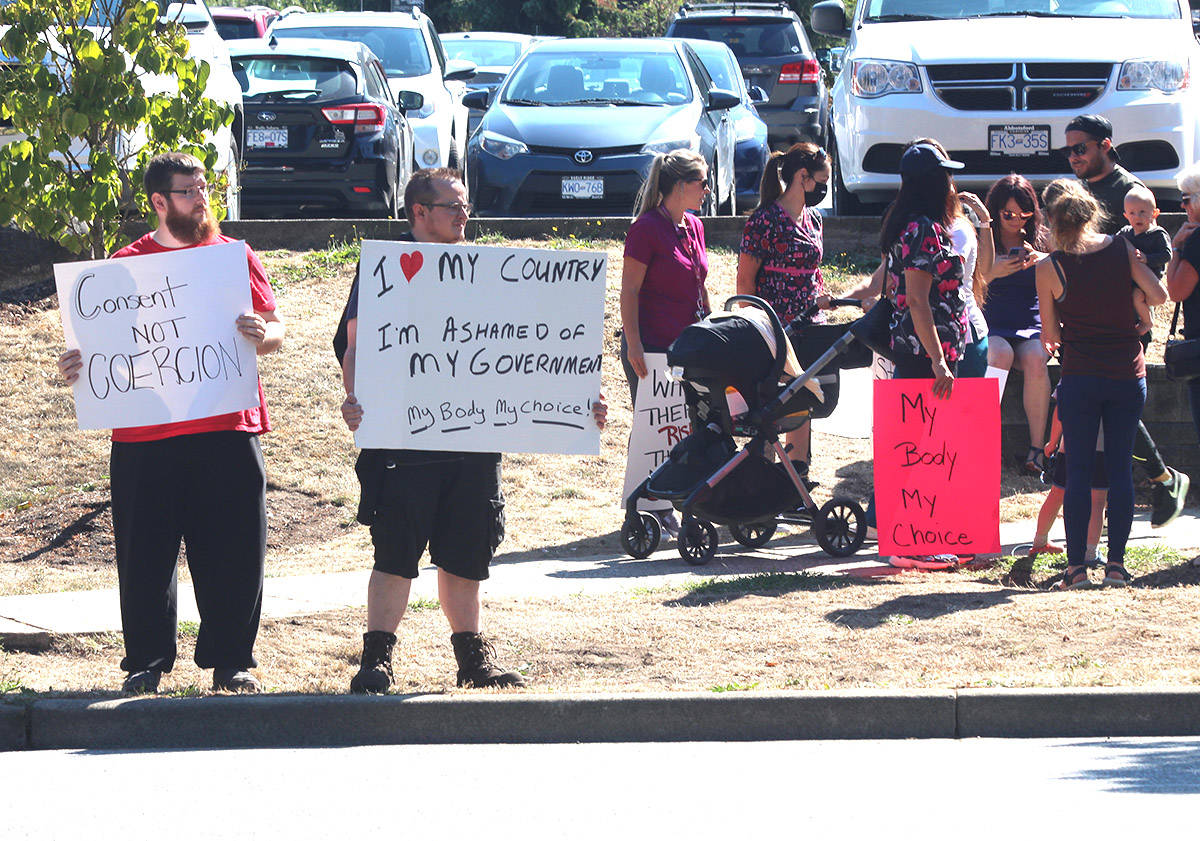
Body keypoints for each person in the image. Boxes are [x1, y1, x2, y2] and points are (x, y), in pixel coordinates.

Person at [336, 168, 607, 694]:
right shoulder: (386, 268)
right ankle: (377, 660)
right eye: (452, 207)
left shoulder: (492, 271)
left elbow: (535, 349)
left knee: (466, 557)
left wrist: (579, 404)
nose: (464, 216)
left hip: (473, 445)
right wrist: (354, 399)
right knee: (394, 555)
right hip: (404, 443)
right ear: (419, 211)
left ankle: (473, 660)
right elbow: (357, 345)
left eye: (466, 207)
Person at [56, 152, 285, 694]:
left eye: (205, 188)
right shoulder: (123, 264)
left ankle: (232, 662)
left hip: (226, 427)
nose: (202, 199)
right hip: (145, 436)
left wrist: (262, 333)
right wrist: (76, 367)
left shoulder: (232, 256)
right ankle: (146, 663)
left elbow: (276, 330)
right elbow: (100, 351)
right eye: (188, 191)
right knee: (145, 554)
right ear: (158, 201)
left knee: (233, 549)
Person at [1034, 179, 1168, 590]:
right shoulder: (1121, 247)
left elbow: (1050, 333)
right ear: (1091, 213)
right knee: (1120, 471)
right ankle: (1116, 565)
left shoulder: (1049, 266)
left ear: (1053, 222)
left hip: (1080, 376)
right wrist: (1134, 303)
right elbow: (1159, 295)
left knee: (1076, 472)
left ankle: (1076, 569)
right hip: (1127, 373)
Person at [1065, 116, 1189, 525]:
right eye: (1068, 150)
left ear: (1105, 145)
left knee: (1116, 408)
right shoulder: (1080, 190)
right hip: (1086, 312)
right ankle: (1159, 480)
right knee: (1108, 409)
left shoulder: (1128, 190)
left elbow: (1152, 252)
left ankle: (1159, 479)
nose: (1073, 157)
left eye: (1080, 148)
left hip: (1125, 317)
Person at [620, 149, 711, 537]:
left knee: (687, 427)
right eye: (702, 183)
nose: (707, 191)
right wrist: (634, 345)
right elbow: (629, 291)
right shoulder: (645, 229)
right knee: (652, 428)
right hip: (652, 348)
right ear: (679, 186)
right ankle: (643, 506)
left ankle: (674, 502)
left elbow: (699, 284)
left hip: (687, 347)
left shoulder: (694, 227)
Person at [736, 142, 831, 467]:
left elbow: (812, 269)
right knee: (774, 409)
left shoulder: (814, 219)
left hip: (809, 324)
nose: (824, 187)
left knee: (803, 402)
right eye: (821, 180)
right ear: (802, 177)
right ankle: (762, 478)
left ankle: (797, 478)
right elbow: (746, 280)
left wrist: (821, 295)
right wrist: (752, 327)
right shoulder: (765, 220)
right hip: (774, 327)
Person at [981, 174, 1052, 474]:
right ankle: (984, 446)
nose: (1016, 220)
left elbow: (1065, 266)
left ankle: (1037, 451)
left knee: (1036, 359)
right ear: (996, 211)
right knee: (1000, 355)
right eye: (1008, 214)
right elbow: (966, 282)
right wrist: (991, 270)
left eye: (1024, 214)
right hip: (992, 320)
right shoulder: (983, 237)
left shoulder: (1041, 237)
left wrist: (1043, 259)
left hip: (1030, 320)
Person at [1166, 162, 1200, 449]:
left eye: (1187, 199)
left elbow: (1176, 291)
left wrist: (1176, 248)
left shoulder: (1196, 241)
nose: (1183, 205)